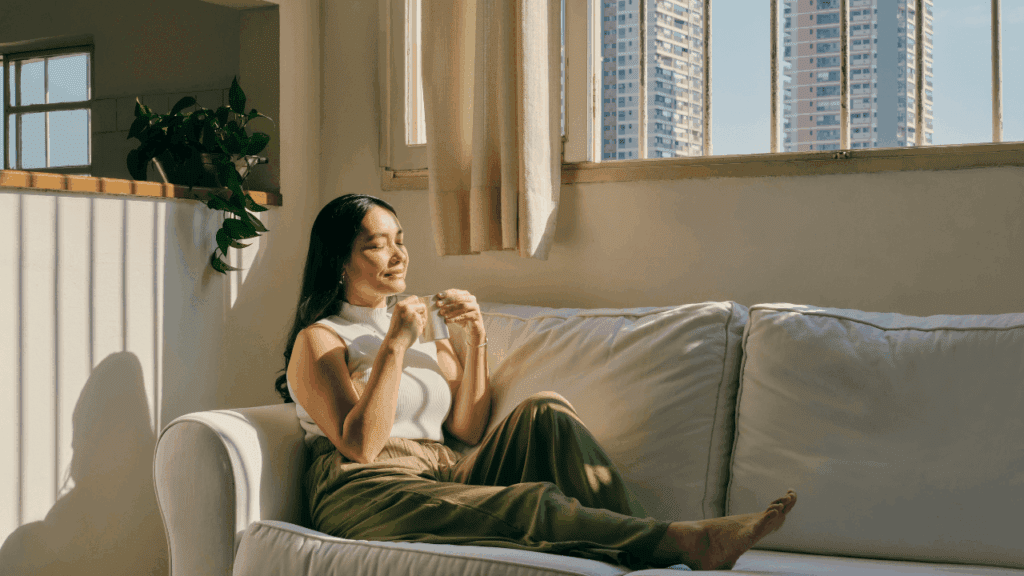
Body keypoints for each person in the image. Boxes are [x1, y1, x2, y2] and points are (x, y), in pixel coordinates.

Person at [275, 194, 797, 571]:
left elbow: (468, 426)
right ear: (341, 262)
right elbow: (361, 445)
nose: (398, 256)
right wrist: (394, 345)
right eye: (376, 246)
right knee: (528, 502)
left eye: (401, 241)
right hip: (365, 489)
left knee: (545, 410)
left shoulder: (418, 320)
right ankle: (684, 543)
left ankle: (652, 553)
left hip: (443, 468)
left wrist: (474, 336)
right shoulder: (320, 339)